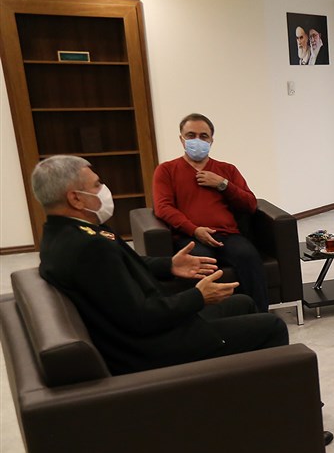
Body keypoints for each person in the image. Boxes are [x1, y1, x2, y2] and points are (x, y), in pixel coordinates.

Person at [34, 155, 290, 374]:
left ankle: (239, 387)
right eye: (97, 184)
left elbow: (127, 264)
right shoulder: (89, 247)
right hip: (152, 346)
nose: (103, 188)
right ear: (76, 199)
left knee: (243, 302)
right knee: (272, 327)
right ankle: (283, 410)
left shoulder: (69, 233)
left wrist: (169, 265)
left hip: (153, 331)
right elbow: (141, 317)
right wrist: (198, 296)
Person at [152, 113, 268, 312]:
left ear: (211, 140)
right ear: (181, 139)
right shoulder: (166, 170)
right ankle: (211, 321)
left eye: (203, 136)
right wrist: (194, 229)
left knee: (249, 257)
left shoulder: (227, 170)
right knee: (201, 263)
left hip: (228, 235)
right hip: (190, 236)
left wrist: (223, 184)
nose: (197, 140)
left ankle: (259, 316)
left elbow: (250, 204)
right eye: (191, 135)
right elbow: (163, 207)